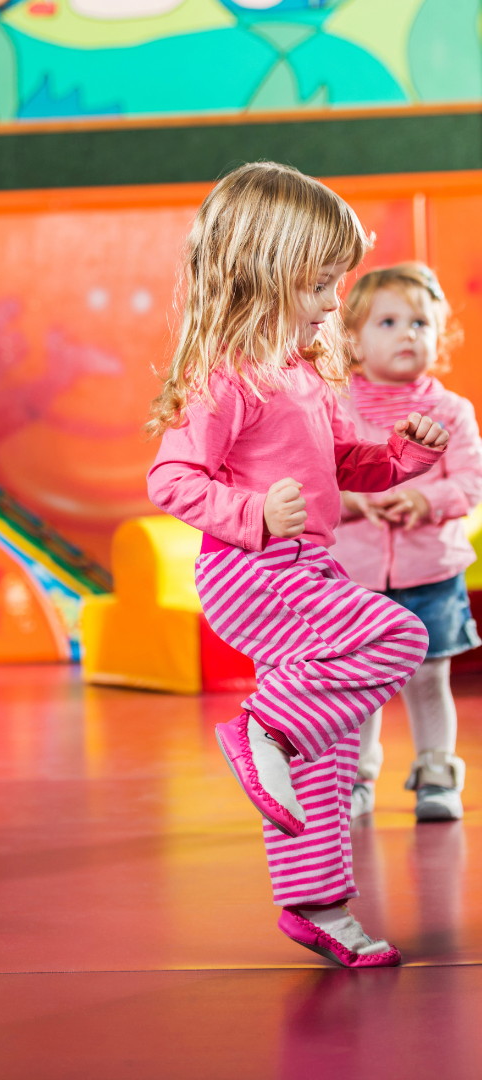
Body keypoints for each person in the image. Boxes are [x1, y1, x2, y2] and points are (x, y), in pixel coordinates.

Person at [146, 162, 449, 968]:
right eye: (319, 284)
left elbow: (344, 462)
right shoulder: (228, 377)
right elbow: (169, 479)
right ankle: (263, 728)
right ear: (266, 273)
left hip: (305, 572)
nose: (330, 302)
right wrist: (252, 514)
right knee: (398, 637)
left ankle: (318, 904)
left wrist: (401, 459)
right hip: (252, 571)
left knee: (335, 741)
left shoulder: (305, 371)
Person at [334, 264, 482, 823]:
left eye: (421, 322)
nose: (407, 333)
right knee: (359, 680)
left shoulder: (452, 411)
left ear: (440, 336)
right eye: (389, 321)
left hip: (432, 573)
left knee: (428, 676)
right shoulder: (337, 406)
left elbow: (471, 482)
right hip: (356, 577)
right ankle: (354, 776)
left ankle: (437, 770)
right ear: (353, 338)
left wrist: (424, 502)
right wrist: (355, 503)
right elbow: (320, 478)